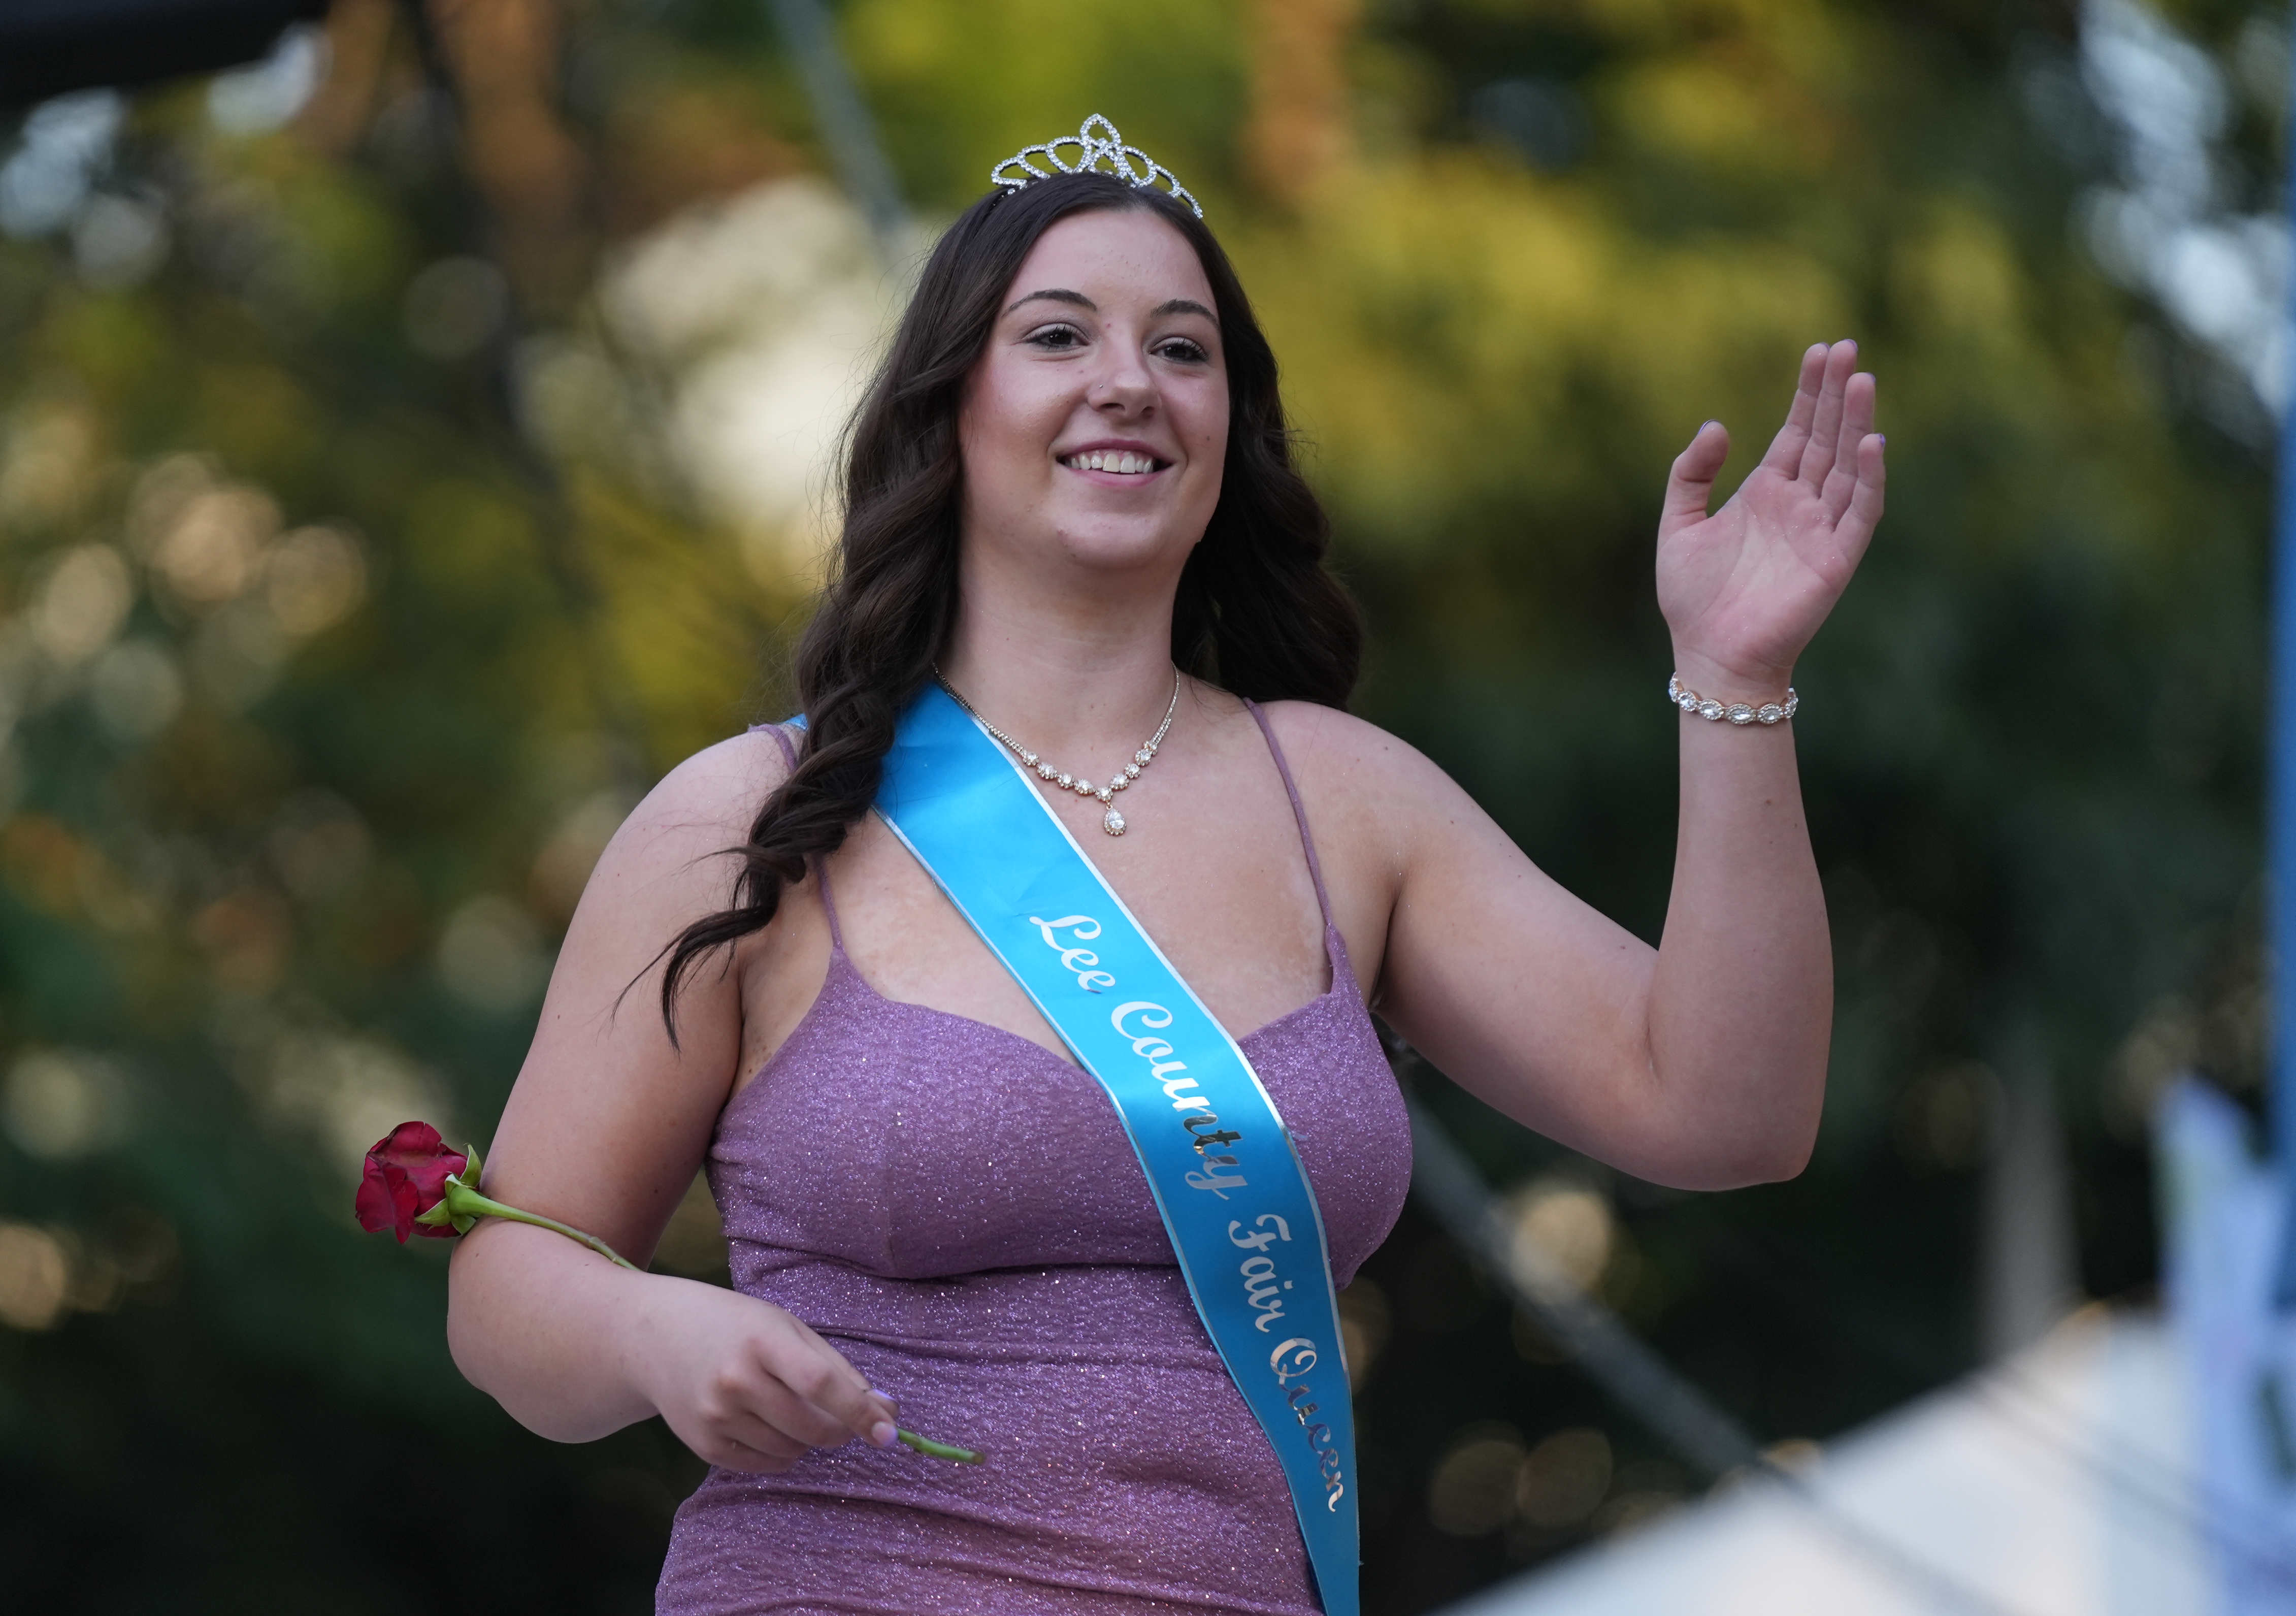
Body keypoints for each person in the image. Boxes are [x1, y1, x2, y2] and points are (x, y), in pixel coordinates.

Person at [445, 117, 1884, 1615]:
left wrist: (1735, 681)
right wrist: (652, 1338)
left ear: (1229, 431)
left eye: (1182, 349)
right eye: (1057, 334)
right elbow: (506, 1293)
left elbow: (1729, 1112)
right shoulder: (755, 813)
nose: (1127, 380)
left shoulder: (1346, 802)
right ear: (949, 408)